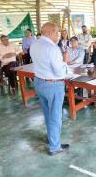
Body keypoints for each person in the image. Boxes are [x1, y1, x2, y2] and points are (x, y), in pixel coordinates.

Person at [30, 22, 70, 156]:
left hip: (39, 82)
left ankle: (52, 139)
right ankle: (54, 147)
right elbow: (60, 72)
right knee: (55, 116)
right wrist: (65, 61)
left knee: (48, 114)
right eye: (57, 32)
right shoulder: (52, 48)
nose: (58, 35)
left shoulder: (35, 44)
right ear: (51, 32)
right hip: (53, 85)